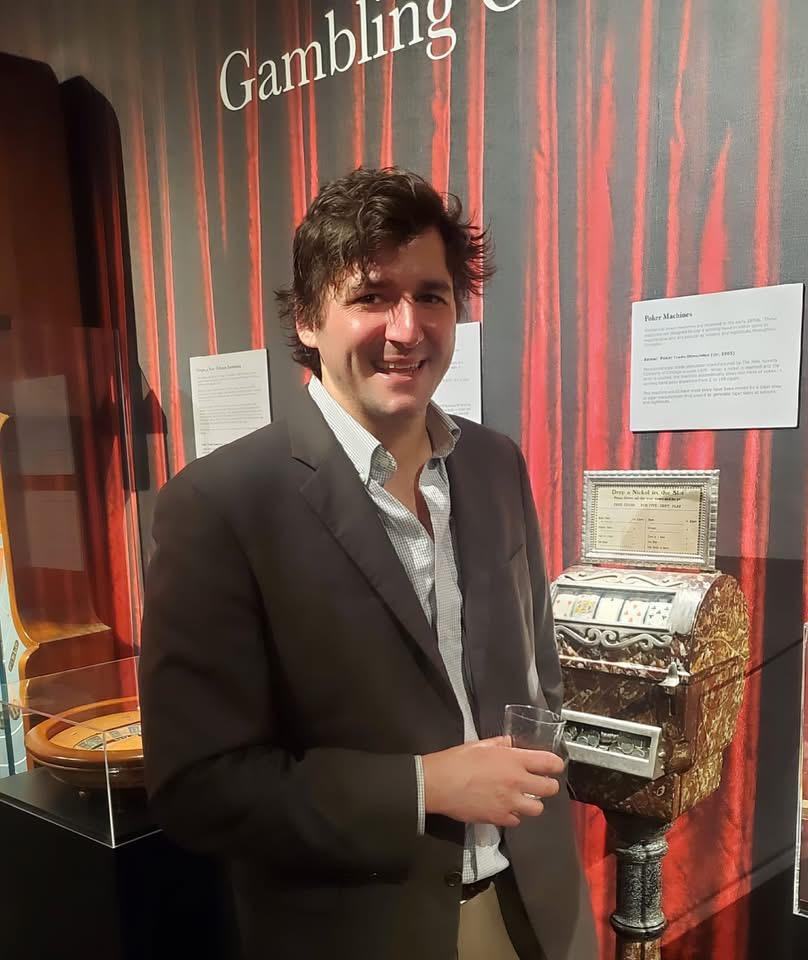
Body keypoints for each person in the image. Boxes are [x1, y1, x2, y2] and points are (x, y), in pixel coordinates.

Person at [139, 167, 596, 960]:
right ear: (308, 318)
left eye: (430, 295)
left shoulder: (494, 463)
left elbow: (537, 669)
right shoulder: (219, 505)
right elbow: (200, 787)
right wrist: (424, 787)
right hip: (366, 928)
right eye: (372, 296)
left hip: (537, 908)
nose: (407, 328)